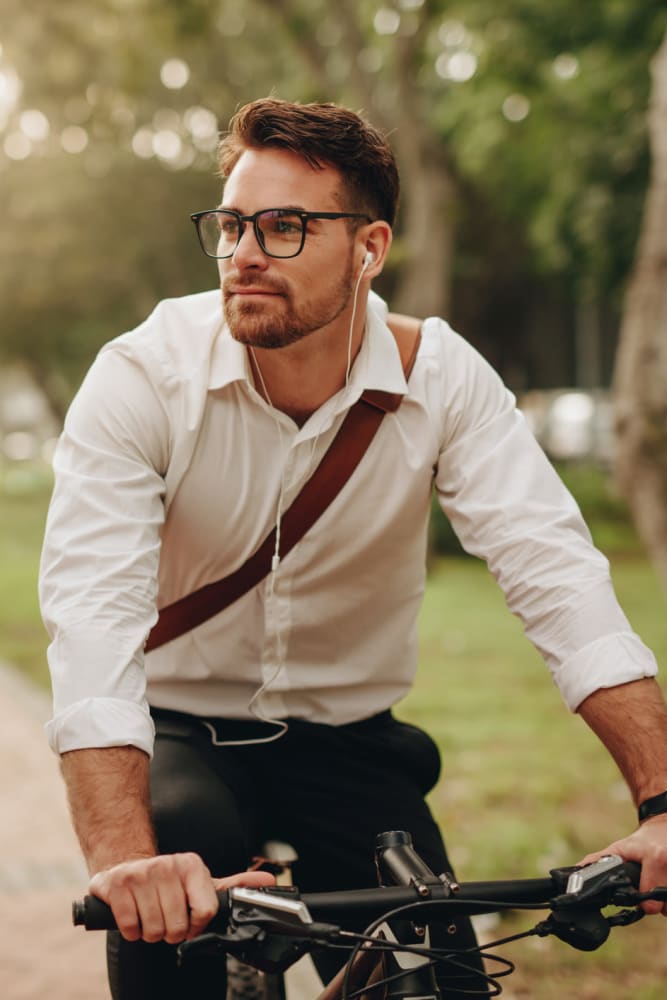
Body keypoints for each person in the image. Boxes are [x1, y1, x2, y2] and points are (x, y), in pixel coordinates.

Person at [40, 98, 667, 1000]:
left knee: (433, 970)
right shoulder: (144, 375)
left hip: (347, 743)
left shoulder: (442, 379)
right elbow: (92, 614)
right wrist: (121, 860)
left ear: (369, 249)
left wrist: (658, 804)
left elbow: (556, 577)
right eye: (230, 225)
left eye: (285, 226)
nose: (245, 252)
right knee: (169, 863)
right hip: (177, 732)